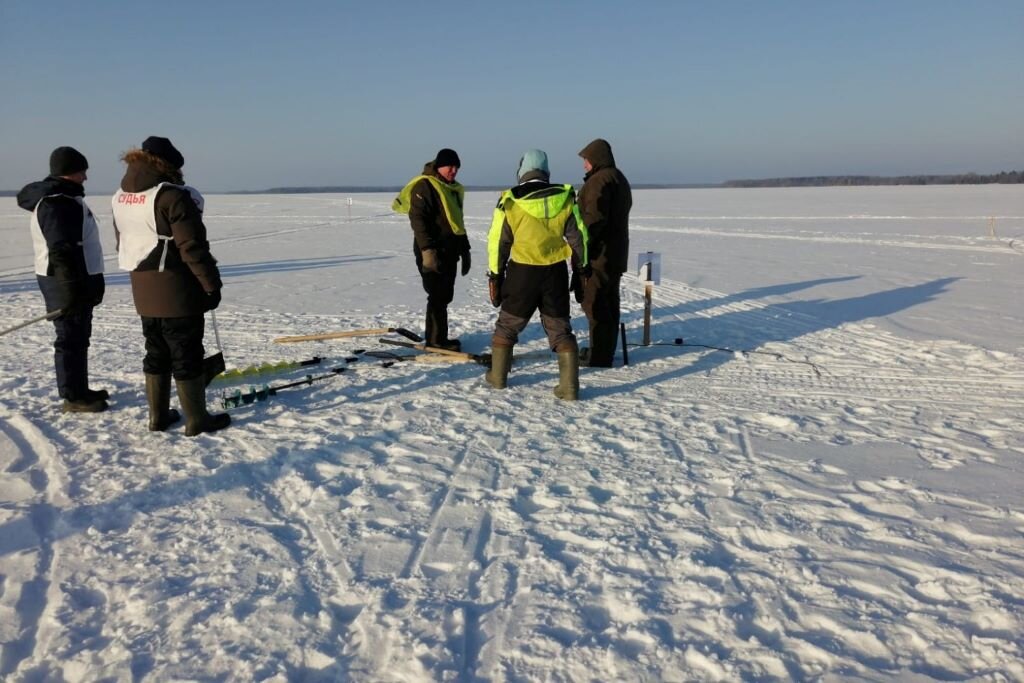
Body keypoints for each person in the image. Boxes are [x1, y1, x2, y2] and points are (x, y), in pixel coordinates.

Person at [112, 136, 230, 436]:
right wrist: (210, 284)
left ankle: (158, 417)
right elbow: (192, 246)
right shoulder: (173, 197)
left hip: (143, 290)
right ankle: (197, 419)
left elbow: (122, 242)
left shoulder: (120, 196)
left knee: (156, 351)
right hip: (177, 292)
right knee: (186, 353)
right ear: (168, 165)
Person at [484, 149, 588, 400]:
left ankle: (498, 377)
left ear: (522, 171)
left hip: (522, 273)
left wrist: (495, 276)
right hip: (554, 273)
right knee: (560, 328)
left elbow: (498, 241)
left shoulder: (509, 200)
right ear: (546, 171)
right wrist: (582, 268)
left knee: (508, 325)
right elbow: (580, 237)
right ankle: (569, 387)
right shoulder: (565, 197)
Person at [17, 146, 109, 413]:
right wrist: (70, 289)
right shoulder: (56, 203)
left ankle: (80, 388)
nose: (86, 178)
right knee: (69, 337)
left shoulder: (68, 199)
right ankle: (72, 396)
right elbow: (61, 250)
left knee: (79, 336)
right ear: (69, 172)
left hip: (76, 277)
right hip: (63, 280)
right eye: (82, 171)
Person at [392, 148, 471, 350]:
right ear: (439, 166)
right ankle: (436, 341)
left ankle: (439, 338)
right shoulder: (425, 185)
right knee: (437, 294)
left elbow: (456, 222)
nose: (453, 170)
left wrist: (465, 249)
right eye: (449, 166)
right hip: (432, 250)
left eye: (456, 167)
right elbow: (418, 220)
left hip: (449, 249)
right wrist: (427, 250)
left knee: (444, 295)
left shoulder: (450, 188)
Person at [575, 138, 632, 367]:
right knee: (609, 302)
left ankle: (600, 356)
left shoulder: (600, 181)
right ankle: (604, 350)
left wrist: (582, 245)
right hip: (616, 253)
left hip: (600, 254)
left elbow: (594, 219)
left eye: (586, 160)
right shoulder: (619, 178)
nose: (584, 165)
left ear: (596, 159)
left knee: (595, 302)